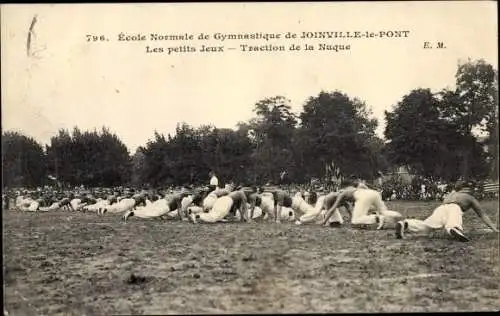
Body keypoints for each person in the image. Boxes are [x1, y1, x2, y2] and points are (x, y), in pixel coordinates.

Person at [395, 182, 499, 241]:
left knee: (426, 227)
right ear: (467, 189)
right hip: (455, 208)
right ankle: (454, 229)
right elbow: (482, 215)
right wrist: (494, 229)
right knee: (453, 222)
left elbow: (447, 203)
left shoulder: (451, 194)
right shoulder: (469, 197)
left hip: (441, 208)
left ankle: (406, 224)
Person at [321, 180, 402, 229]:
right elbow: (349, 208)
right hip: (373, 193)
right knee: (384, 211)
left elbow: (332, 209)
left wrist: (324, 222)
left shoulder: (341, 193)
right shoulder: (352, 188)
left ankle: (377, 218)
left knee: (356, 221)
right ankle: (397, 215)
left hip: (363, 196)